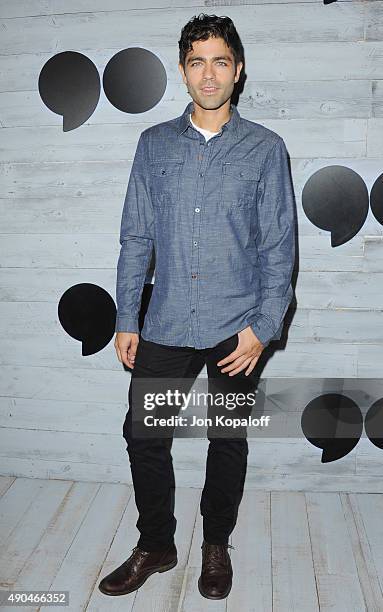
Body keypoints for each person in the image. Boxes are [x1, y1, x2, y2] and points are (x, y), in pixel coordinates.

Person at [98, 13, 296, 601]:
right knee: (144, 435)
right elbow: (136, 237)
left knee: (227, 438)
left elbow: (278, 246)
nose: (209, 74)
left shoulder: (265, 148)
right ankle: (157, 543)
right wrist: (127, 318)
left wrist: (263, 329)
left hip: (238, 330)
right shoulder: (153, 145)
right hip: (165, 322)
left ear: (237, 72)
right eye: (196, 61)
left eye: (221, 61)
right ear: (184, 72)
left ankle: (216, 545)